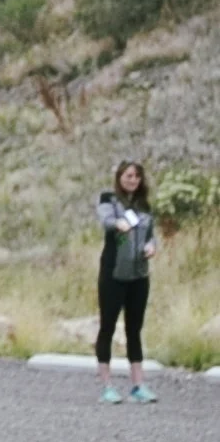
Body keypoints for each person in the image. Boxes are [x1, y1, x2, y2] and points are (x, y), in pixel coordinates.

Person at [95, 161, 159, 404]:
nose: (133, 180)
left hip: (138, 275)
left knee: (135, 328)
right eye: (128, 175)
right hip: (114, 274)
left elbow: (151, 234)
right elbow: (105, 220)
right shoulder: (109, 199)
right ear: (120, 177)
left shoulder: (144, 205)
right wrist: (116, 223)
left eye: (136, 176)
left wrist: (151, 246)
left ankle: (138, 384)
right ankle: (106, 385)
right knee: (108, 326)